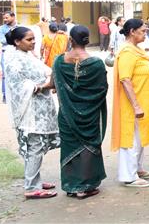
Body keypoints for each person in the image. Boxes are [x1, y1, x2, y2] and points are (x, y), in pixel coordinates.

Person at [5, 26, 60, 199]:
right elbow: (19, 86)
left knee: (37, 146)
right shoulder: (14, 59)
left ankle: (34, 180)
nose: (33, 42)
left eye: (33, 38)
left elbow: (44, 71)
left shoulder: (27, 55)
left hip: (40, 107)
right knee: (35, 147)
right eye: (29, 39)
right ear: (17, 42)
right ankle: (31, 187)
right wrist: (45, 85)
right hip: (30, 111)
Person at [53, 25, 108, 199]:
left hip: (67, 115)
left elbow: (53, 84)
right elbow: (102, 89)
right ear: (88, 40)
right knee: (88, 148)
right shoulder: (96, 63)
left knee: (70, 147)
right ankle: (85, 186)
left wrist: (38, 88)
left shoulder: (59, 61)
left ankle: (72, 186)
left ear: (70, 40)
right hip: (90, 114)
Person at [111, 19, 149, 188]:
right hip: (133, 103)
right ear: (132, 31)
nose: (145, 34)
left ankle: (138, 169)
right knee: (132, 139)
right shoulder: (127, 51)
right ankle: (129, 176)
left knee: (140, 137)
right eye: (142, 31)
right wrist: (135, 105)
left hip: (144, 100)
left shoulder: (136, 49)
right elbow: (125, 79)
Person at [0, 10, 18, 103]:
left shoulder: (19, 27)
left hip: (17, 53)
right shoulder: (2, 28)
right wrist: (15, 38)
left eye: (7, 17)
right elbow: (2, 40)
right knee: (5, 75)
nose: (5, 20)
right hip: (6, 53)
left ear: (13, 16)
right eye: (4, 18)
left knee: (18, 73)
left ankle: (16, 94)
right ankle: (5, 95)